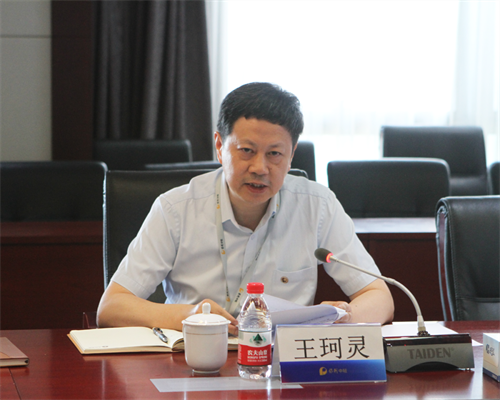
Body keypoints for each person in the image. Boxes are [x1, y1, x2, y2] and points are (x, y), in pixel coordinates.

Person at [97, 82, 394, 335]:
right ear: (219, 146)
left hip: (280, 367)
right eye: (247, 151)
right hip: (193, 360)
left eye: (275, 154)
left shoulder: (317, 206)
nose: (260, 168)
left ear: (292, 154)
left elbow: (379, 296)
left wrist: (346, 318)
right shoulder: (175, 210)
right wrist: (190, 315)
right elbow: (111, 307)